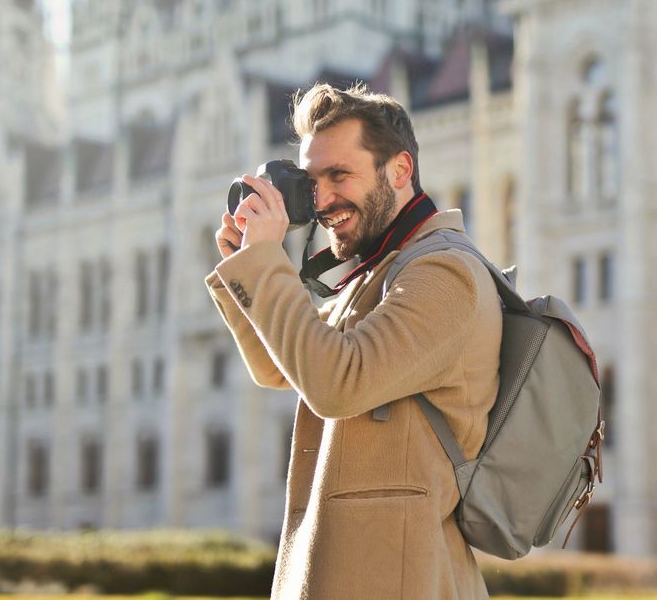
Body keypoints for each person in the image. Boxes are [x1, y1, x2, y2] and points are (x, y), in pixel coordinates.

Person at [205, 82, 501, 599]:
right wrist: (243, 267)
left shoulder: (444, 272)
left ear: (400, 171)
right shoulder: (376, 274)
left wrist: (267, 262)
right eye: (311, 180)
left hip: (405, 579)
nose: (320, 200)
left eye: (339, 175)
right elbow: (282, 367)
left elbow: (337, 384)